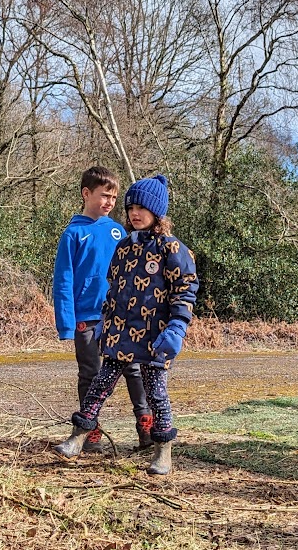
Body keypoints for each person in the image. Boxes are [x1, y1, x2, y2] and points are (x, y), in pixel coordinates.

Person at [53, 175, 198, 476]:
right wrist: (106, 323)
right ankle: (78, 438)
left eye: (142, 208)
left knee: (155, 394)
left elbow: (186, 289)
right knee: (98, 386)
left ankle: (162, 450)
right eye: (131, 207)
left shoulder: (171, 248)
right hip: (119, 334)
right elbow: (115, 290)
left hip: (155, 339)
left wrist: (177, 327)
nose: (134, 213)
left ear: (156, 212)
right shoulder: (125, 247)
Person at [51, 166, 153, 455]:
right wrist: (67, 324)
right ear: (86, 193)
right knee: (91, 374)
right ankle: (90, 431)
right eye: (104, 196)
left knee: (134, 369)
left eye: (113, 197)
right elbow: (63, 280)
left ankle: (146, 427)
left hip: (121, 317)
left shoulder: (119, 230)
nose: (109, 202)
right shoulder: (73, 233)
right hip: (87, 319)